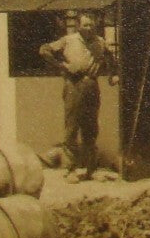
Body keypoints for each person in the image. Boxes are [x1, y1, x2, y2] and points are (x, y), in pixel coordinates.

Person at [39, 10, 117, 181]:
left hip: (91, 85)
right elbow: (44, 50)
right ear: (78, 26)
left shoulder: (100, 42)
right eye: (85, 25)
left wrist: (112, 75)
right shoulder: (68, 40)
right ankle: (71, 169)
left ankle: (91, 169)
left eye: (91, 24)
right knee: (72, 127)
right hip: (73, 85)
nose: (89, 28)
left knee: (91, 128)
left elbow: (111, 58)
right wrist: (63, 65)